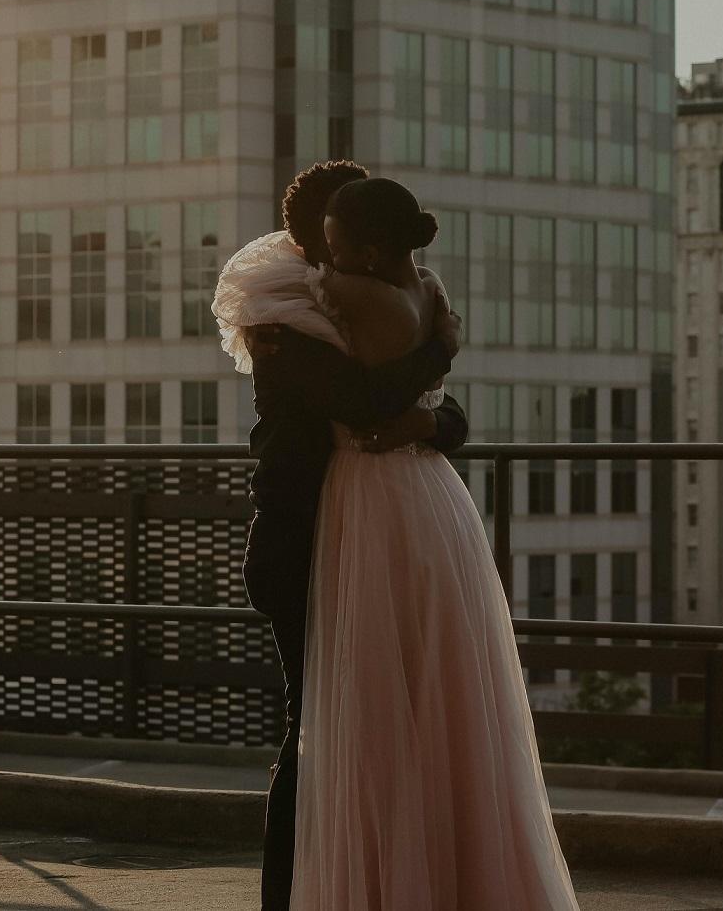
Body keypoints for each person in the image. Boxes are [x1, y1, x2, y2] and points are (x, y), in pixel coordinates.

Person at [292, 177, 578, 910]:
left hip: (376, 493)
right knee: (448, 685)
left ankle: (397, 881)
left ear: (368, 248)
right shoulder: (430, 290)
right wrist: (440, 375)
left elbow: (367, 395)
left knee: (380, 692)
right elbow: (433, 397)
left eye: (336, 246)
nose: (327, 258)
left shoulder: (347, 294)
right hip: (438, 499)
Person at [210, 160, 471, 911]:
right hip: (301, 543)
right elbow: (359, 402)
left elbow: (433, 411)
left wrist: (436, 413)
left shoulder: (374, 306)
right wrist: (441, 346)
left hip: (380, 536)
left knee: (396, 721)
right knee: (314, 731)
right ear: (331, 243)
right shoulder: (286, 319)